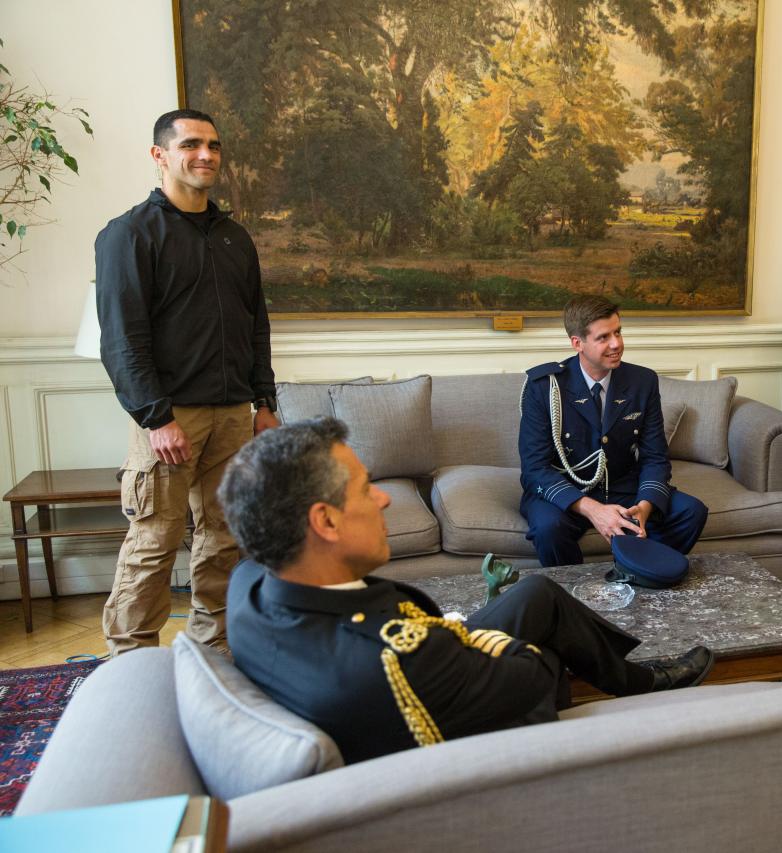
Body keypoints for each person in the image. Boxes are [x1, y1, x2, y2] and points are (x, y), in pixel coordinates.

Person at [219, 419, 714, 764]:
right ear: (325, 522)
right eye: (366, 488)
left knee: (537, 595)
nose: (384, 498)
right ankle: (631, 700)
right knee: (549, 649)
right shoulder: (398, 658)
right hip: (479, 753)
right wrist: (456, 636)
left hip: (417, 678)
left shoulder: (249, 585)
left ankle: (635, 680)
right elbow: (533, 676)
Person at [95, 108, 278, 656]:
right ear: (160, 155)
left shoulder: (235, 238)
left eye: (214, 146)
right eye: (191, 144)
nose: (206, 155)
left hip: (234, 415)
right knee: (155, 541)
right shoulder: (128, 235)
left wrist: (264, 402)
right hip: (170, 418)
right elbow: (122, 340)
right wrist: (157, 418)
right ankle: (130, 661)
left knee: (225, 538)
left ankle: (213, 650)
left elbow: (256, 325)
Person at [518, 295, 708, 567]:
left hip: (621, 485)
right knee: (549, 529)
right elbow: (534, 468)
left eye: (618, 332)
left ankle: (638, 574)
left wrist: (645, 506)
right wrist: (593, 509)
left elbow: (655, 457)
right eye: (603, 337)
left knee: (691, 511)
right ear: (577, 343)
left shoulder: (642, 381)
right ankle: (574, 590)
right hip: (566, 489)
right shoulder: (544, 387)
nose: (616, 344)